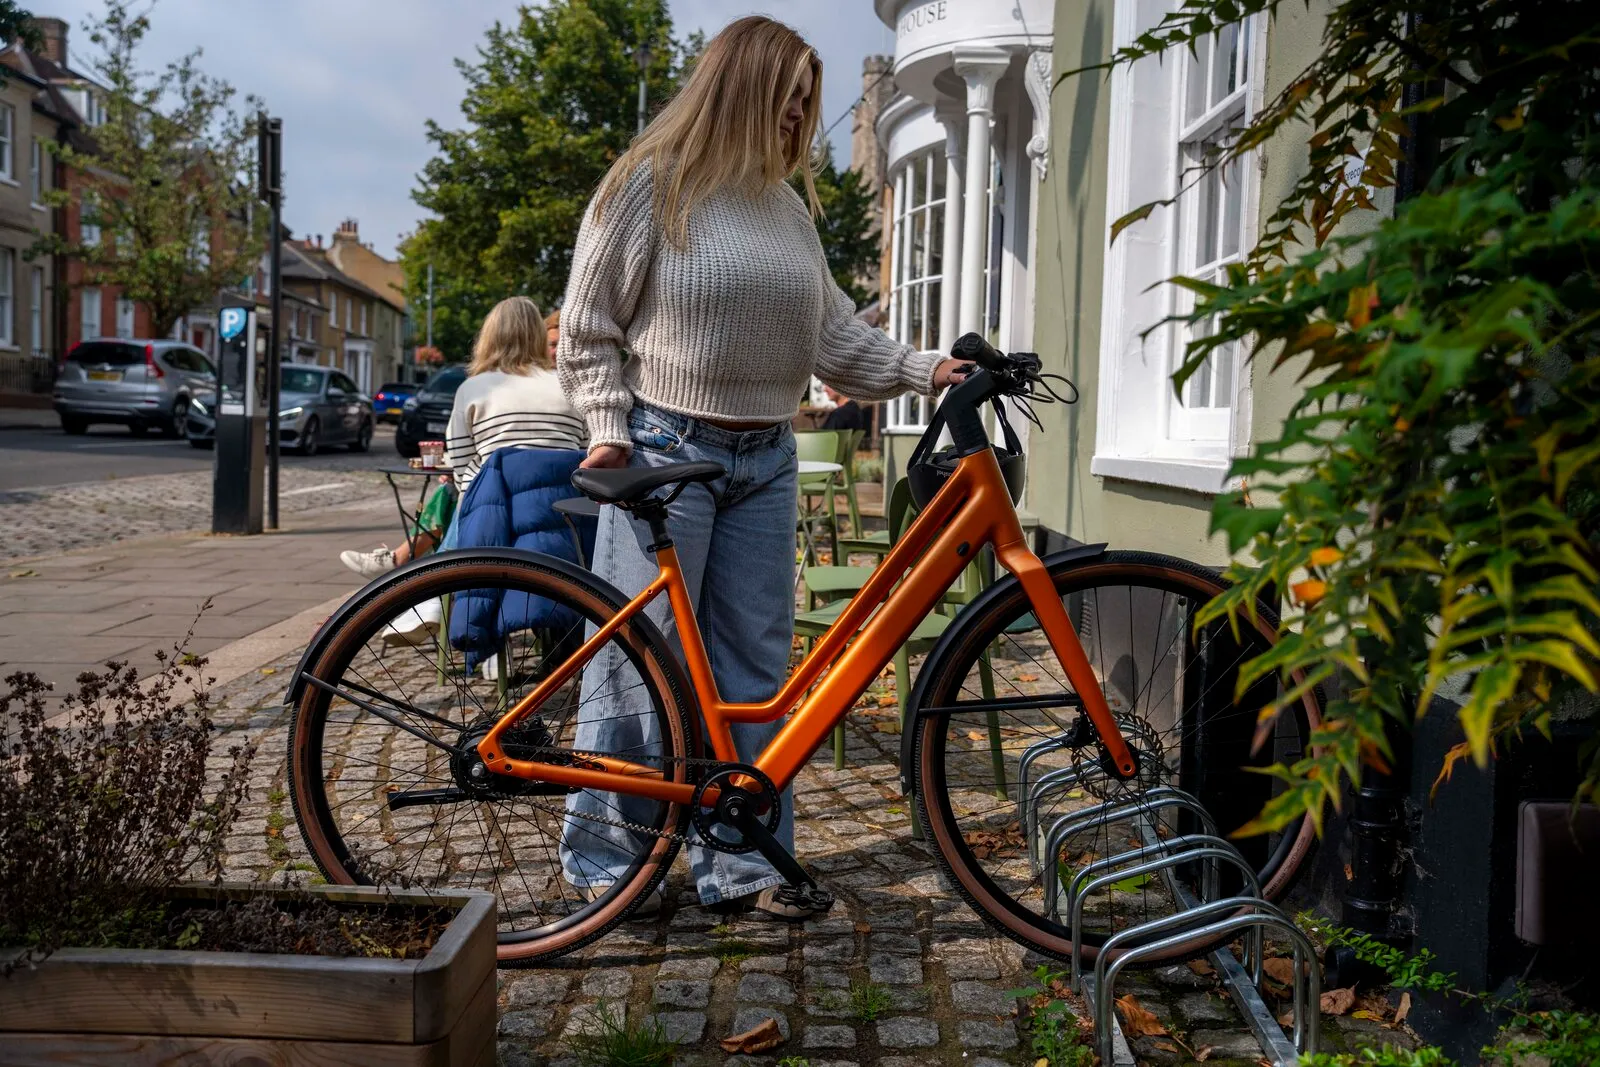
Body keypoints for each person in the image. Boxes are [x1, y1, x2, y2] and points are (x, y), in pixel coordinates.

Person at [556, 15, 969, 921]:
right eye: (787, 104)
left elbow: (834, 338)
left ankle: (740, 859)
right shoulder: (650, 186)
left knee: (754, 669)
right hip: (664, 453)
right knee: (641, 665)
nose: (797, 125)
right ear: (739, 91)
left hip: (765, 457)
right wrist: (606, 424)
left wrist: (928, 369)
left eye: (806, 109)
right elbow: (589, 326)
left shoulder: (788, 212)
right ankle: (605, 862)